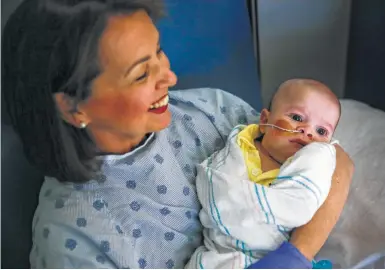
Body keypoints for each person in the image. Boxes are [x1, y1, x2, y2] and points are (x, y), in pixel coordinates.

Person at [2, 0, 354, 268]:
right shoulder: (74, 239)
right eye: (141, 74)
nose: (170, 77)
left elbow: (334, 160)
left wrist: (295, 256)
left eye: (158, 52)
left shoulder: (211, 109)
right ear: (72, 106)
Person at [186, 79, 341, 269]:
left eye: (321, 131)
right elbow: (216, 190)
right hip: (224, 252)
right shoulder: (240, 148)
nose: (308, 131)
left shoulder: (311, 168)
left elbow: (299, 205)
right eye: (297, 118)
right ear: (265, 121)